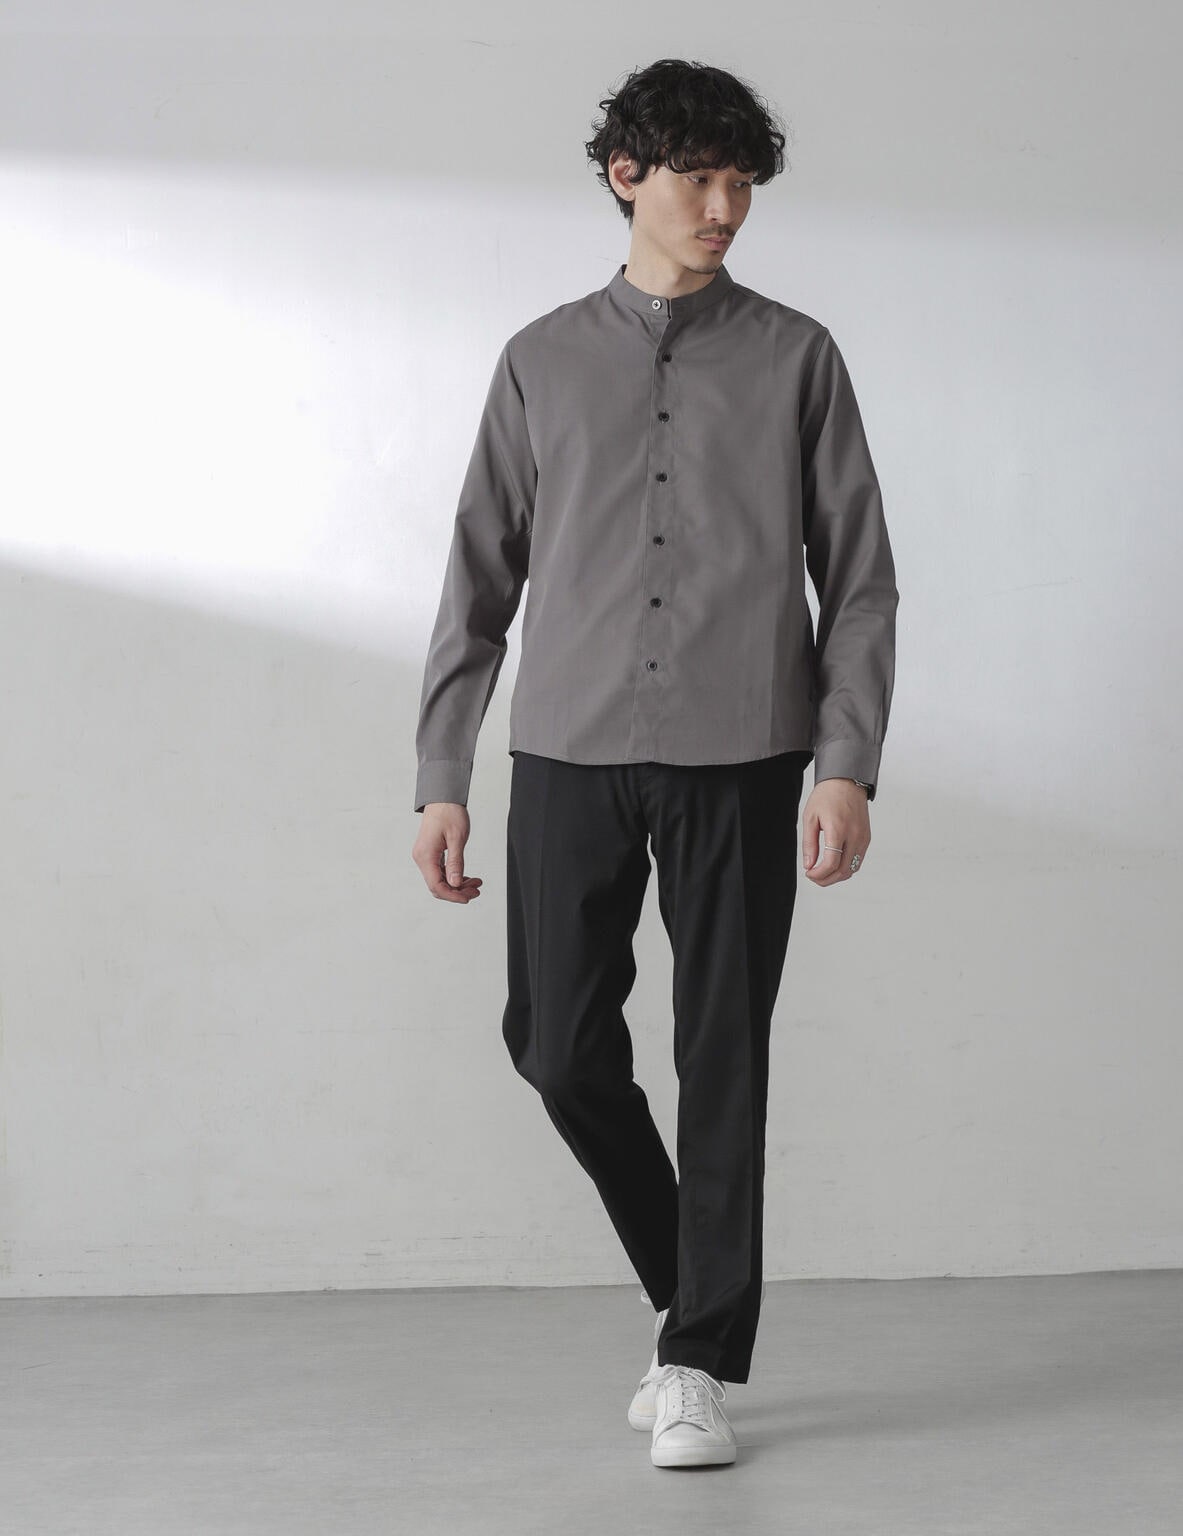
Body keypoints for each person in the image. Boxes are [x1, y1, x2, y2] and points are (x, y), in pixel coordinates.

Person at [410, 57, 898, 1469]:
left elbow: (859, 576)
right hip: (567, 746)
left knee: (721, 1054)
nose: (725, 205)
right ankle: (690, 1287)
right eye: (698, 176)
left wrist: (847, 759)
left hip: (745, 751)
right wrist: (443, 770)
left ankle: (696, 1360)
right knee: (557, 1047)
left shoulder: (799, 357)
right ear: (626, 176)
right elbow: (477, 577)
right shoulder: (540, 359)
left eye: (742, 181)